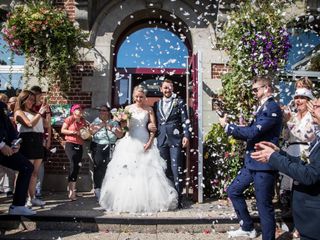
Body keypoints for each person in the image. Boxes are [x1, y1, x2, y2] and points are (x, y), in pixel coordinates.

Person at [219, 75, 283, 240]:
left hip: (264, 163)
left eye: (256, 89)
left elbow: (254, 132)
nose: (253, 92)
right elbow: (254, 130)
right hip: (252, 163)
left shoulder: (272, 107)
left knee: (263, 205)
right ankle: (248, 227)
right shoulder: (263, 107)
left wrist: (228, 127)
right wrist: (239, 127)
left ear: (267, 88)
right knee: (233, 191)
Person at [99, 85, 178, 213]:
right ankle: (128, 202)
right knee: (129, 172)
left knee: (148, 171)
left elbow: (154, 128)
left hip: (145, 141)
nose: (138, 99)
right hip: (130, 141)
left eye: (141, 97)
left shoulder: (149, 109)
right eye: (136, 97)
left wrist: (150, 142)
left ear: (145, 97)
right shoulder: (128, 109)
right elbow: (126, 128)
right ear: (133, 97)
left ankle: (149, 201)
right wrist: (122, 121)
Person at [251, 97, 320, 240]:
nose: (313, 108)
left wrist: (274, 158)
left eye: (318, 106)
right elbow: (306, 164)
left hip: (314, 222)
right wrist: (279, 153)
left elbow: (310, 175)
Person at [152, 79, 190, 208]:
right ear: (161, 89)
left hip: (175, 139)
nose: (167, 90)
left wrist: (186, 135)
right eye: (165, 88)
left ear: (172, 88)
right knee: (164, 169)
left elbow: (185, 120)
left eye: (169, 87)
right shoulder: (156, 104)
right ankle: (166, 198)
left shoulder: (179, 102)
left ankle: (178, 199)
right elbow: (154, 121)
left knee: (176, 168)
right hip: (161, 139)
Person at [0, 101, 35, 215]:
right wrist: (0, 145)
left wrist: (15, 142)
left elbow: (8, 127)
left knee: (26, 167)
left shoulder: (2, 106)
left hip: (6, 147)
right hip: (2, 146)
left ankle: (18, 205)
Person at [14, 90, 48, 207]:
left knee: (34, 173)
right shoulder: (19, 112)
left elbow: (46, 124)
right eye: (29, 99)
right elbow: (29, 124)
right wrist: (40, 113)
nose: (31, 102)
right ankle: (20, 200)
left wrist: (45, 112)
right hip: (27, 141)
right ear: (23, 99)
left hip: (38, 141)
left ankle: (32, 198)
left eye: (33, 100)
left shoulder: (34, 112)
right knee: (25, 172)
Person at [89, 105, 123, 200]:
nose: (102, 112)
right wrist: (101, 126)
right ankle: (97, 188)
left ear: (108, 112)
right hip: (98, 146)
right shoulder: (95, 121)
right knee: (99, 166)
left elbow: (120, 134)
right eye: (100, 110)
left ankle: (109, 189)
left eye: (104, 110)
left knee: (110, 167)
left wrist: (111, 128)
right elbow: (90, 132)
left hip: (111, 146)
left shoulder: (113, 122)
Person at [61, 104, 88, 201]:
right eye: (78, 109)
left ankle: (73, 189)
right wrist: (73, 133)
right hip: (70, 144)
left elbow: (85, 133)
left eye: (81, 109)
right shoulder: (70, 119)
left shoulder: (83, 121)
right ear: (73, 110)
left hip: (79, 145)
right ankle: (71, 191)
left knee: (76, 166)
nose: (81, 111)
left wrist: (86, 133)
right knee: (73, 164)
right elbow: (63, 130)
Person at [30, 85, 52, 198]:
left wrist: (48, 140)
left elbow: (48, 125)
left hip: (41, 137)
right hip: (29, 137)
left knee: (40, 165)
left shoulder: (45, 106)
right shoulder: (29, 106)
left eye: (36, 94)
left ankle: (38, 189)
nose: (34, 97)